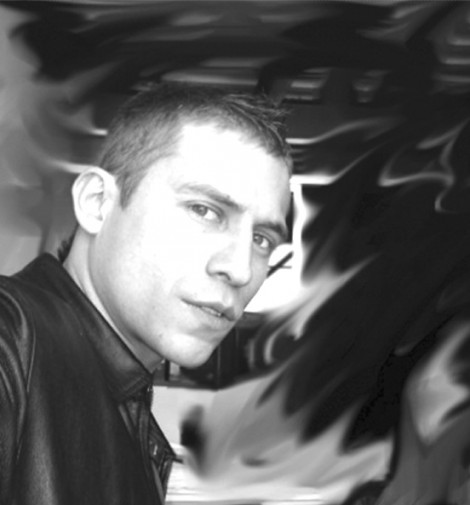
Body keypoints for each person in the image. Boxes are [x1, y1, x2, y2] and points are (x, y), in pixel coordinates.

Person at [0, 82, 292, 505]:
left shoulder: (122, 401)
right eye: (205, 211)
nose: (240, 269)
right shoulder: (11, 338)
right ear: (97, 202)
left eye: (262, 239)